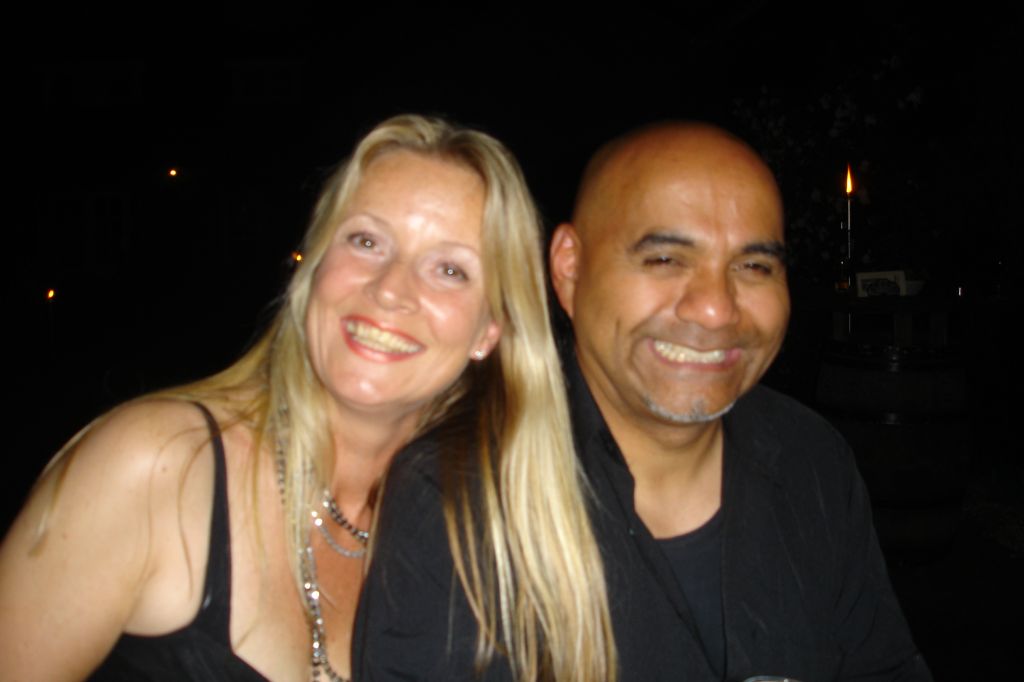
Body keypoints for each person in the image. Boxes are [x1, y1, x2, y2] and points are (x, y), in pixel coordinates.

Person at [356, 120, 932, 682]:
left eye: (754, 266)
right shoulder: (457, 501)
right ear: (569, 269)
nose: (716, 308)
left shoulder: (811, 459)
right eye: (665, 259)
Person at [0, 114, 568, 681]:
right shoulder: (159, 466)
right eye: (366, 241)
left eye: (449, 269)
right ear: (316, 264)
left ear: (489, 330)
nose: (391, 289)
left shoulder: (482, 549)